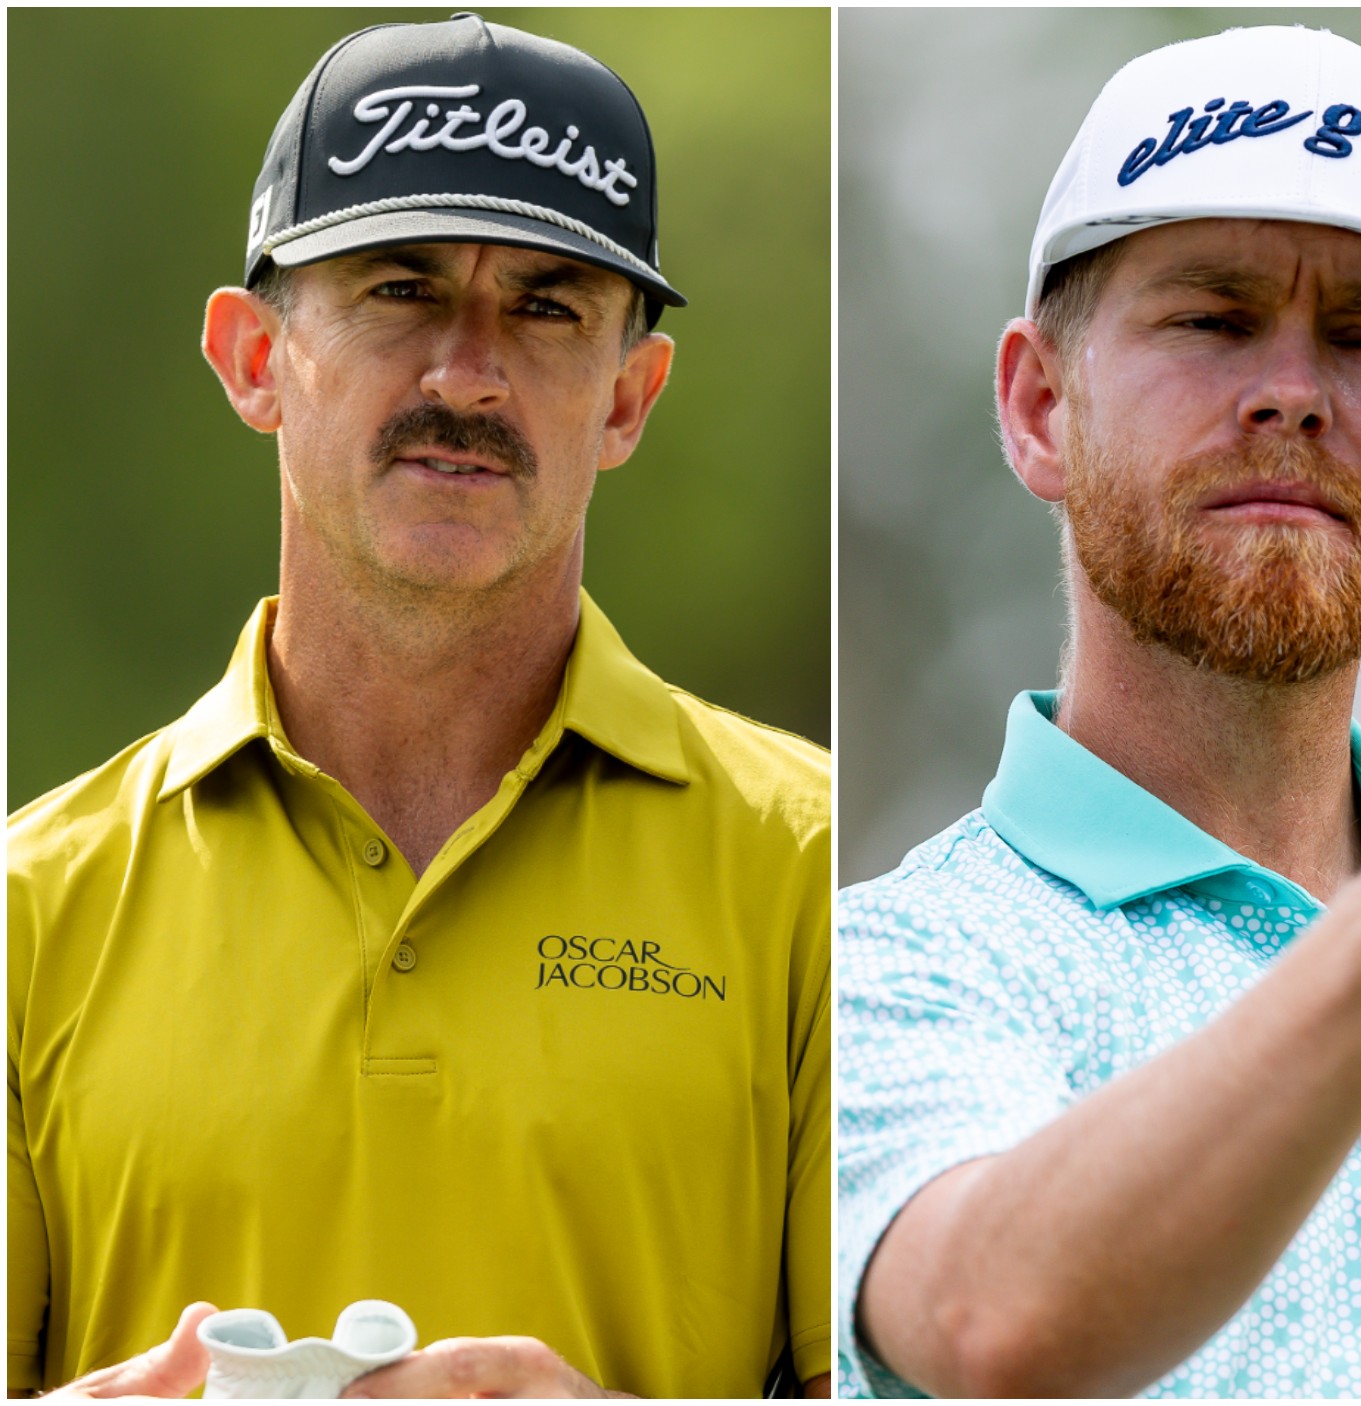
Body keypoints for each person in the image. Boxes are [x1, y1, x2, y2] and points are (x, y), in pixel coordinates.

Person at [7, 16, 829, 1399]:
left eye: (550, 306)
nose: (467, 373)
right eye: (400, 290)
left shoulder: (816, 872)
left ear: (632, 394)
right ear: (254, 356)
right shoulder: (31, 907)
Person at [837, 25, 1361, 1399]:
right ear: (1041, 405)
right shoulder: (880, 973)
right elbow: (994, 1322)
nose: (1291, 393)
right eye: (1212, 319)